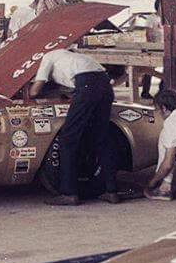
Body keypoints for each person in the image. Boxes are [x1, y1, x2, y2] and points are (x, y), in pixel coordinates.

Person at [29, 48, 118, 206]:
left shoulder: (48, 57)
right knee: (102, 138)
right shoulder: (75, 57)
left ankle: (69, 193)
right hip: (105, 85)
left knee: (68, 139)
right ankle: (111, 191)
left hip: (87, 86)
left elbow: (34, 92)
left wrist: (34, 89)